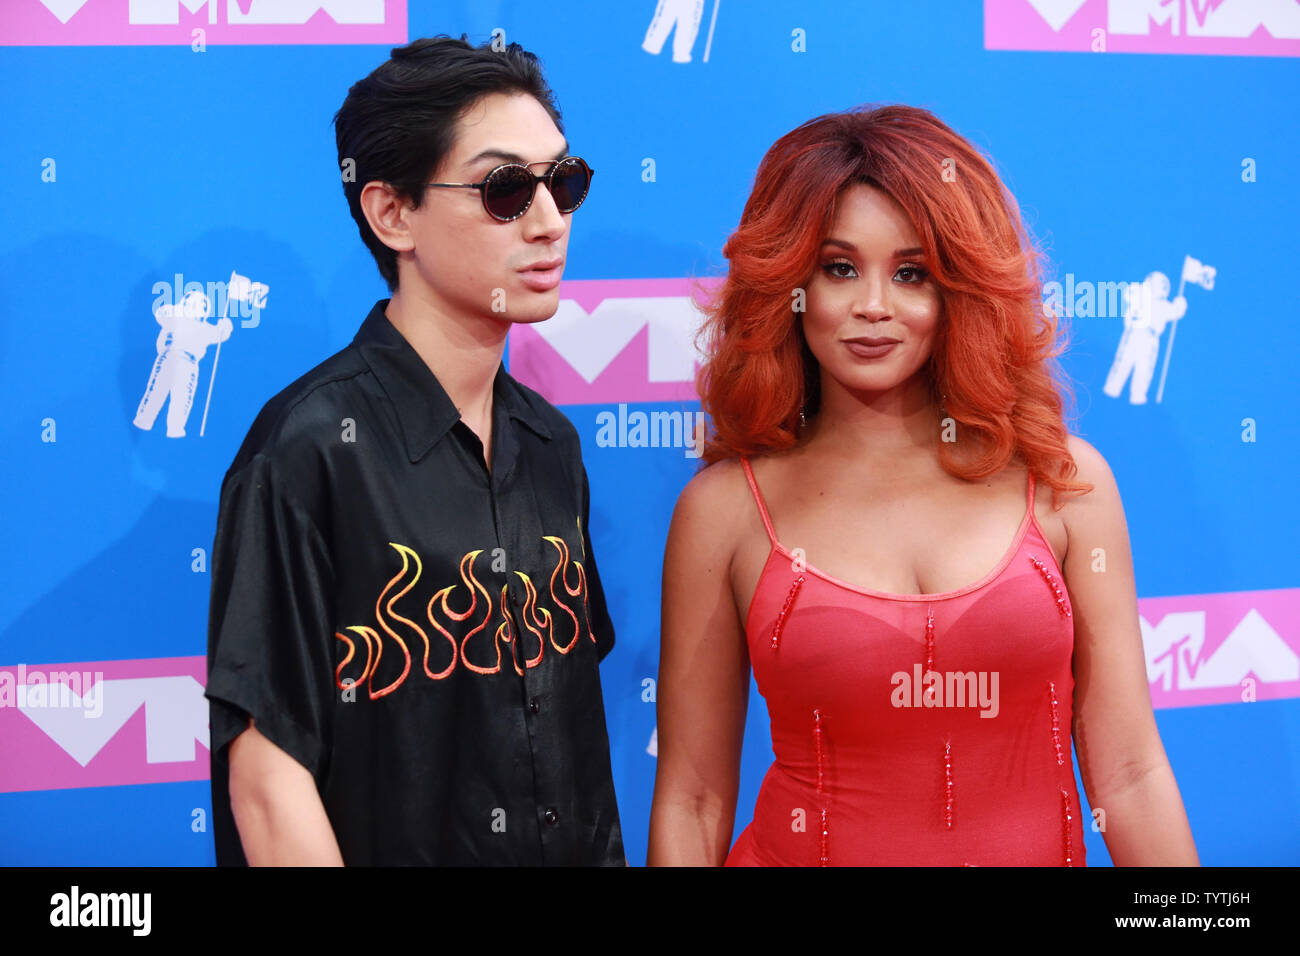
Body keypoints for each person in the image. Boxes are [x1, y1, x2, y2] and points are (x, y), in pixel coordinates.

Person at [647, 105, 1198, 866]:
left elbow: (1130, 775)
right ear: (789, 282)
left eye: (912, 274)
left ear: (961, 290)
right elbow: (694, 799)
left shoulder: (1065, 482)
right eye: (839, 268)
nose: (874, 305)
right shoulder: (725, 510)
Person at [204, 35, 625, 866]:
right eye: (507, 190)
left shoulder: (552, 443)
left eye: (564, 183)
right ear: (392, 212)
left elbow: (569, 731)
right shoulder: (308, 448)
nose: (549, 223)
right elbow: (267, 776)